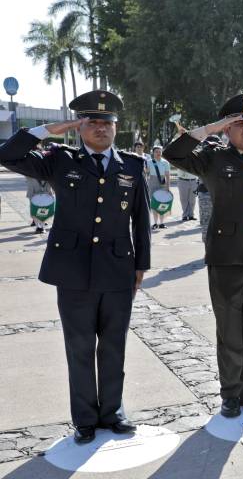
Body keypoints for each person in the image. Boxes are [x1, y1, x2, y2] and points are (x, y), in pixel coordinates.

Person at [0, 90, 151, 444]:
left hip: (117, 269)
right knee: (79, 346)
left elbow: (141, 220)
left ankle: (112, 412)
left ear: (117, 128)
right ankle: (84, 418)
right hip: (72, 271)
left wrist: (141, 265)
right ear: (80, 126)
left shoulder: (132, 165)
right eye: (92, 122)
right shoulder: (59, 160)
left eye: (107, 123)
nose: (101, 128)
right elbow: (7, 154)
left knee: (114, 344)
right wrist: (50, 129)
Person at [163, 94, 243, 417]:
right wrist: (213, 128)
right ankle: (230, 393)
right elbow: (171, 153)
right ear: (228, 129)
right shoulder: (213, 159)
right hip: (225, 257)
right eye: (239, 124)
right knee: (229, 330)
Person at [196, 135, 221, 243]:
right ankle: (210, 249)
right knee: (207, 222)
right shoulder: (202, 158)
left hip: (218, 194)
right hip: (207, 193)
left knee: (211, 222)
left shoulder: (223, 157)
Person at [148, 146, 171, 229]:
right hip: (152, 183)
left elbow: (167, 176)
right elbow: (146, 172)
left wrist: (168, 187)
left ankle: (162, 223)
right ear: (153, 153)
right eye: (156, 151)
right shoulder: (149, 162)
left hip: (162, 183)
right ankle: (155, 223)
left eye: (159, 151)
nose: (158, 153)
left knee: (162, 203)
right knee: (154, 203)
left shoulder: (165, 162)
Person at [26, 167, 54, 234]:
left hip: (36, 193)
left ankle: (40, 226)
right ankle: (40, 226)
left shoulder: (29, 170)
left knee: (38, 210)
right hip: (41, 193)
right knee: (41, 210)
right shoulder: (46, 170)